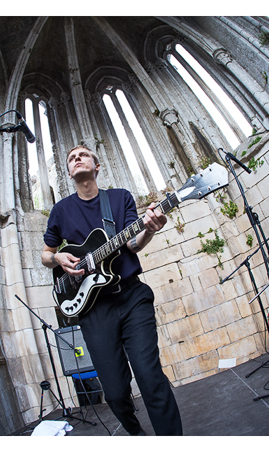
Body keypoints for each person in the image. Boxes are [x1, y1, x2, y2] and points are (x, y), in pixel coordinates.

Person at [41, 145, 183, 436]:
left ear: (96, 165)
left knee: (150, 377)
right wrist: (57, 258)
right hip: (93, 311)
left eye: (83, 154)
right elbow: (46, 254)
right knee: (116, 394)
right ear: (70, 172)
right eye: (71, 158)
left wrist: (151, 228)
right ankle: (138, 436)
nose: (77, 158)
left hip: (132, 297)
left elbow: (132, 243)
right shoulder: (61, 210)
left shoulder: (119, 198)